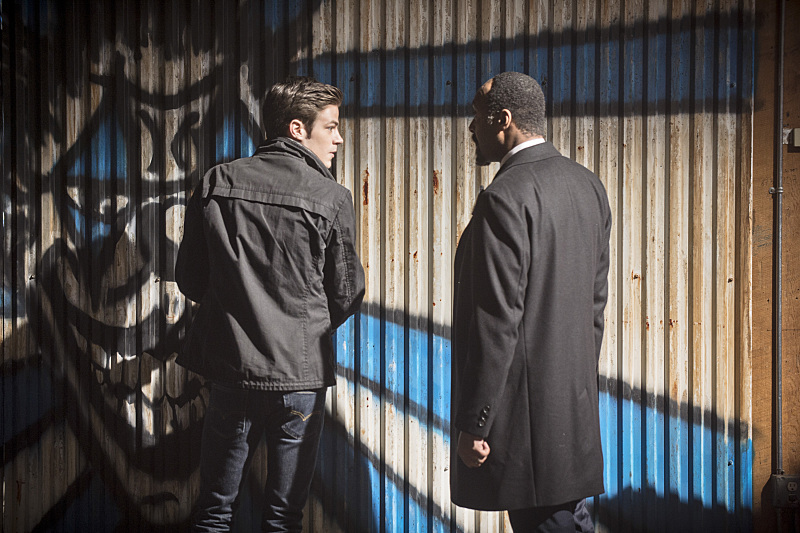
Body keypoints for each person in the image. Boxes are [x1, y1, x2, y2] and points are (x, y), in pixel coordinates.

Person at [175, 76, 365, 532]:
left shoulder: (218, 182)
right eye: (331, 126)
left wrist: (238, 311)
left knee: (214, 512)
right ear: (297, 129)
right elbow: (346, 293)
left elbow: (191, 278)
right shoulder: (331, 197)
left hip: (233, 369)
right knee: (283, 517)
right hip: (299, 376)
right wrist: (301, 330)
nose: (339, 138)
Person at [450, 71, 611, 532]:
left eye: (477, 116)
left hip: (524, 427)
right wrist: (573, 392)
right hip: (569, 414)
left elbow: (496, 321)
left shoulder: (504, 197)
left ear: (503, 120)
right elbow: (594, 308)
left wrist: (475, 423)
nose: (471, 127)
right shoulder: (588, 185)